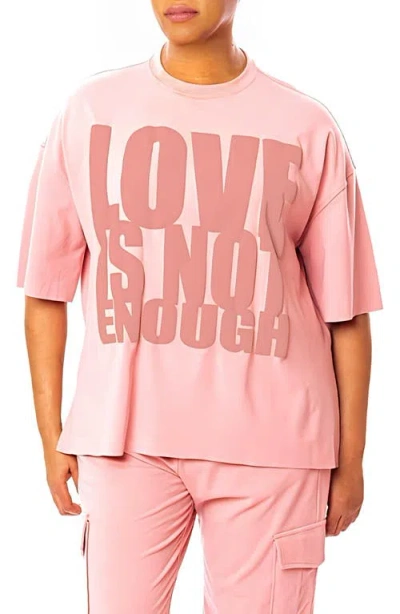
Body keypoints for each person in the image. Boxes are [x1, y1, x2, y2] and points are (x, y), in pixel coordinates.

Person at [16, 1, 383, 612]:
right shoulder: (90, 113)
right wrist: (52, 434)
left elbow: (346, 313)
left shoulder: (306, 126)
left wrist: (351, 461)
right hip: (124, 442)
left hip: (275, 443)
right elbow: (44, 289)